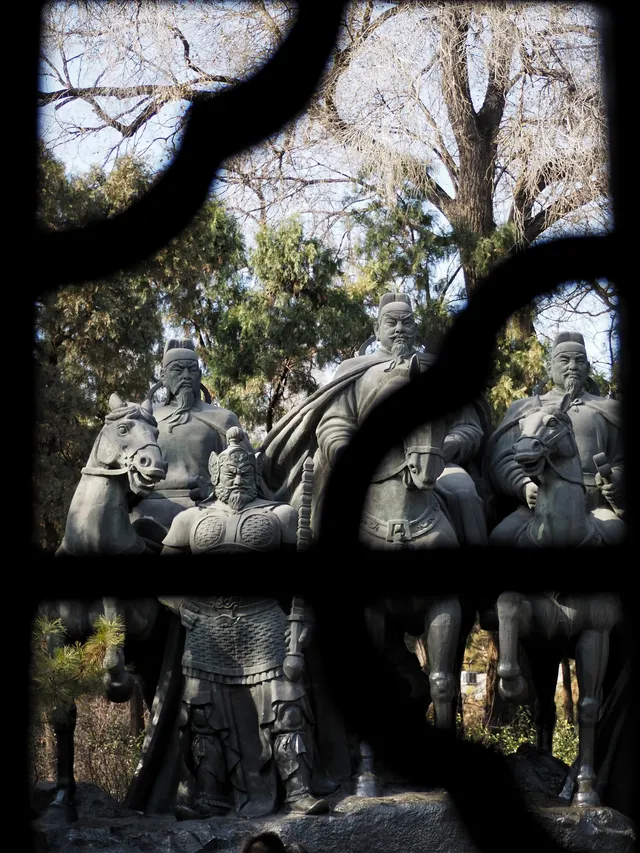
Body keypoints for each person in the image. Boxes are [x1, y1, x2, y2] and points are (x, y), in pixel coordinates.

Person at [260, 292, 489, 546]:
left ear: (415, 328)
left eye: (407, 322)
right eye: (392, 322)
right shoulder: (355, 370)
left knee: (464, 492)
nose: (400, 329)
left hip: (436, 462)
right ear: (377, 329)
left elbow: (468, 426)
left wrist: (446, 447)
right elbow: (334, 423)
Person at [486, 330, 623, 526]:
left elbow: (622, 458)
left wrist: (617, 479)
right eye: (564, 360)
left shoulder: (608, 409)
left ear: (588, 368)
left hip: (596, 506)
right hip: (538, 504)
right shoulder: (524, 409)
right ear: (550, 368)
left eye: (580, 361)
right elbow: (503, 459)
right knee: (502, 535)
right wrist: (523, 485)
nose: (573, 366)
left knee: (615, 532)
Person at [129, 338, 250, 532]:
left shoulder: (223, 419)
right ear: (163, 375)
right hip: (146, 511)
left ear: (199, 375)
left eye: (192, 370)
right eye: (178, 369)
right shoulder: (144, 419)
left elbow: (246, 473)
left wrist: (214, 491)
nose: (186, 376)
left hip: (206, 510)